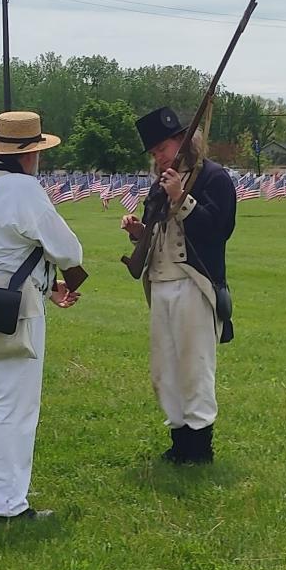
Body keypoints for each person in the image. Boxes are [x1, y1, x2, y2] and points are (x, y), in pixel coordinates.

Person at [0, 110, 83, 520]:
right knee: (16, 410)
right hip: (20, 308)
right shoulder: (21, 190)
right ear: (29, 155)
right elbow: (67, 250)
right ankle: (8, 504)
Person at [121, 107, 236, 465]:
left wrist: (181, 199)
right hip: (161, 283)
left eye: (162, 149)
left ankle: (199, 446)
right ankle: (179, 439)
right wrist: (140, 232)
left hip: (193, 284)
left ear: (182, 141)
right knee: (166, 368)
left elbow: (219, 230)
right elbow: (160, 232)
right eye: (154, 153)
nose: (158, 157)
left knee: (194, 365)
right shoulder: (163, 181)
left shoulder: (213, 178)